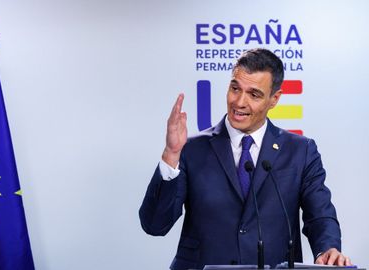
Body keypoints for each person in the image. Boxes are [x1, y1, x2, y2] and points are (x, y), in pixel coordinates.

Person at [139, 48, 351, 270]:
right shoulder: (191, 149)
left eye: (254, 94)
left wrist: (327, 249)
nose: (239, 102)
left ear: (274, 99)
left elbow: (320, 215)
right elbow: (154, 224)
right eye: (235, 88)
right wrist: (171, 155)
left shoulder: (300, 151)